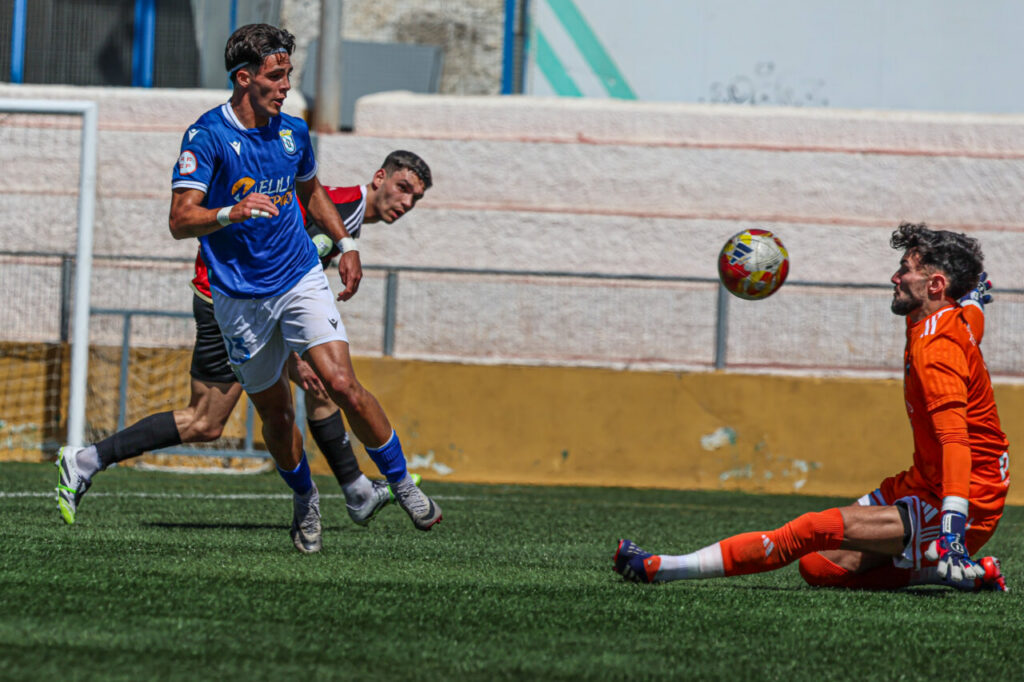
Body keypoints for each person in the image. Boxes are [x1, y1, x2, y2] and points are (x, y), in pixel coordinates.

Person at [59, 23, 441, 554]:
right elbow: (179, 219)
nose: (287, 85)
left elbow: (308, 191)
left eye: (289, 74)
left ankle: (390, 485)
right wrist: (229, 212)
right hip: (231, 297)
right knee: (234, 417)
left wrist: (346, 246)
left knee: (336, 380)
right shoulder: (207, 137)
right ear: (244, 78)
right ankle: (312, 496)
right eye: (277, 75)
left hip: (296, 277)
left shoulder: (293, 133)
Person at [614, 223, 1008, 592]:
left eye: (905, 269)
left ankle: (662, 568)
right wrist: (974, 297)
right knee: (819, 567)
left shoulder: (937, 350)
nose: (895, 277)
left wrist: (952, 530)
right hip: (928, 482)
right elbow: (973, 318)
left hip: (963, 499)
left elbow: (956, 441)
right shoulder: (946, 317)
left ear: (935, 285)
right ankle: (965, 574)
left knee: (809, 529)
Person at [54, 150, 431, 531]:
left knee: (307, 389)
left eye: (415, 198)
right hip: (231, 300)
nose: (406, 202)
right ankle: (87, 459)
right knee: (208, 420)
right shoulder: (337, 205)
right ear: (379, 178)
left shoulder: (344, 215)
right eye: (403, 188)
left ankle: (358, 492)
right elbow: (265, 252)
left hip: (245, 298)